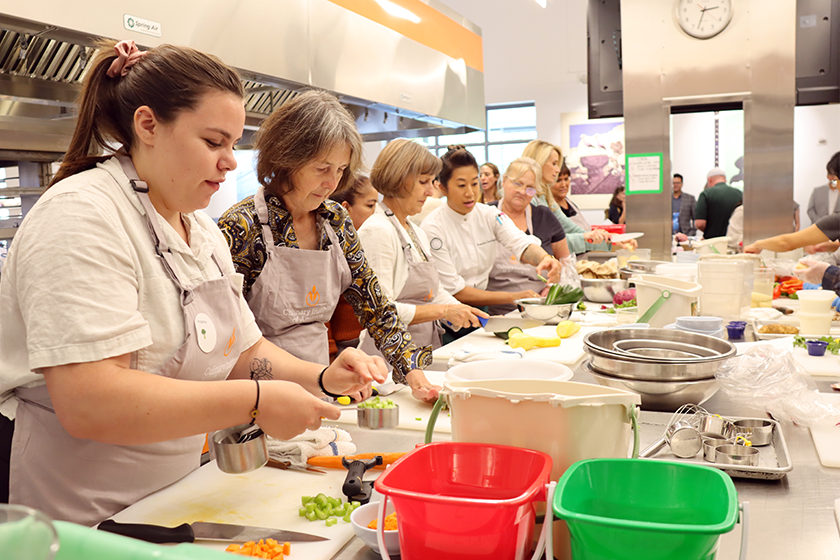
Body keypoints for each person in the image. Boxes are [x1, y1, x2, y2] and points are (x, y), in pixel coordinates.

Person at [0, 41, 384, 524]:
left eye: (233, 145)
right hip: (82, 507)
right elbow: (90, 403)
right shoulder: (81, 215)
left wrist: (321, 378)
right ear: (148, 125)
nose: (229, 161)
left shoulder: (197, 225)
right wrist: (256, 401)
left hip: (174, 496)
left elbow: (244, 352)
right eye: (213, 142)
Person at [218, 91, 439, 402]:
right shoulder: (242, 226)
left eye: (340, 170)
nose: (332, 184)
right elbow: (226, 334)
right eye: (322, 169)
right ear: (286, 159)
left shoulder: (334, 220)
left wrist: (412, 371)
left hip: (322, 385)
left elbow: (373, 302)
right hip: (254, 395)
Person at [357, 139, 487, 357]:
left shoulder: (415, 231)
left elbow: (434, 293)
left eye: (431, 182)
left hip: (422, 348)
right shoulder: (378, 231)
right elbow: (380, 310)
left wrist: (463, 310)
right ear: (399, 180)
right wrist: (444, 311)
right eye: (423, 182)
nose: (430, 191)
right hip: (389, 356)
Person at [421, 147, 562, 340]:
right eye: (461, 186)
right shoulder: (433, 227)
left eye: (474, 183)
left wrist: (545, 258)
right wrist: (513, 297)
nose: (470, 193)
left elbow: (519, 242)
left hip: (483, 312)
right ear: (442, 188)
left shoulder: (489, 214)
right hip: (449, 317)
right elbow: (457, 291)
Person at [487, 158, 574, 315]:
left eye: (530, 188)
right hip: (494, 311)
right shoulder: (486, 214)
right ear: (504, 181)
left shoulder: (544, 217)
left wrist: (552, 287)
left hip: (538, 309)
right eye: (518, 184)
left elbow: (566, 263)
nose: (522, 192)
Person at [521, 140, 618, 254]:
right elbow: (548, 242)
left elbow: (569, 227)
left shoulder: (544, 198)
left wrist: (604, 238)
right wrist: (591, 238)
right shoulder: (528, 200)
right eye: (554, 164)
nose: (557, 170)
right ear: (539, 163)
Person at [325, 175, 378, 358]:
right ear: (345, 208)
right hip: (347, 346)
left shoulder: (367, 240)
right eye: (370, 206)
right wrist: (331, 356)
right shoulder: (331, 246)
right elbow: (324, 312)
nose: (375, 212)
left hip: (372, 338)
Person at [747, 213, 840, 298]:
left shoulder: (836, 220)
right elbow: (835, 258)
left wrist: (757, 245)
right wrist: (832, 246)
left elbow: (787, 242)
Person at [695, 167, 743, 239]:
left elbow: (699, 224)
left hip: (712, 243)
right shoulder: (740, 194)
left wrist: (710, 231)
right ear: (725, 180)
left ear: (709, 179)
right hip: (732, 241)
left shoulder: (706, 194)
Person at [551, 162, 590, 231]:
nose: (563, 185)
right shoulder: (549, 207)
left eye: (566, 179)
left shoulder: (571, 204)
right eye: (558, 180)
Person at [806, 151, 840, 223]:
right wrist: (821, 223)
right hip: (818, 228)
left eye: (836, 178)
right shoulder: (817, 191)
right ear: (828, 176)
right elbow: (810, 210)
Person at [672, 173, 696, 238]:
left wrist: (692, 233)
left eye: (677, 183)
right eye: (673, 183)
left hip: (685, 234)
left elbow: (695, 218)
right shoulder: (666, 199)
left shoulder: (690, 199)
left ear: (682, 184)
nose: (675, 185)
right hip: (668, 235)